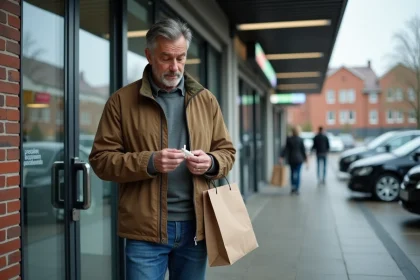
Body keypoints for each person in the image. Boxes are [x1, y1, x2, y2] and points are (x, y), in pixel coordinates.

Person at [88, 18, 236, 280]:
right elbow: (101, 160)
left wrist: (211, 162)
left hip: (195, 229)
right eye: (166, 58)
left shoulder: (205, 100)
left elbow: (227, 152)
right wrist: (150, 162)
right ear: (149, 55)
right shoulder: (121, 102)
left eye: (181, 58)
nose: (175, 66)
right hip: (144, 233)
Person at [279, 125, 307, 195]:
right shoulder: (300, 139)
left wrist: (281, 157)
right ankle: (296, 189)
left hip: (291, 159)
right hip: (299, 159)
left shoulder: (289, 139)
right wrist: (306, 160)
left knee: (292, 173)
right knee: (298, 174)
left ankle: (293, 187)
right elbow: (303, 150)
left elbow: (285, 149)